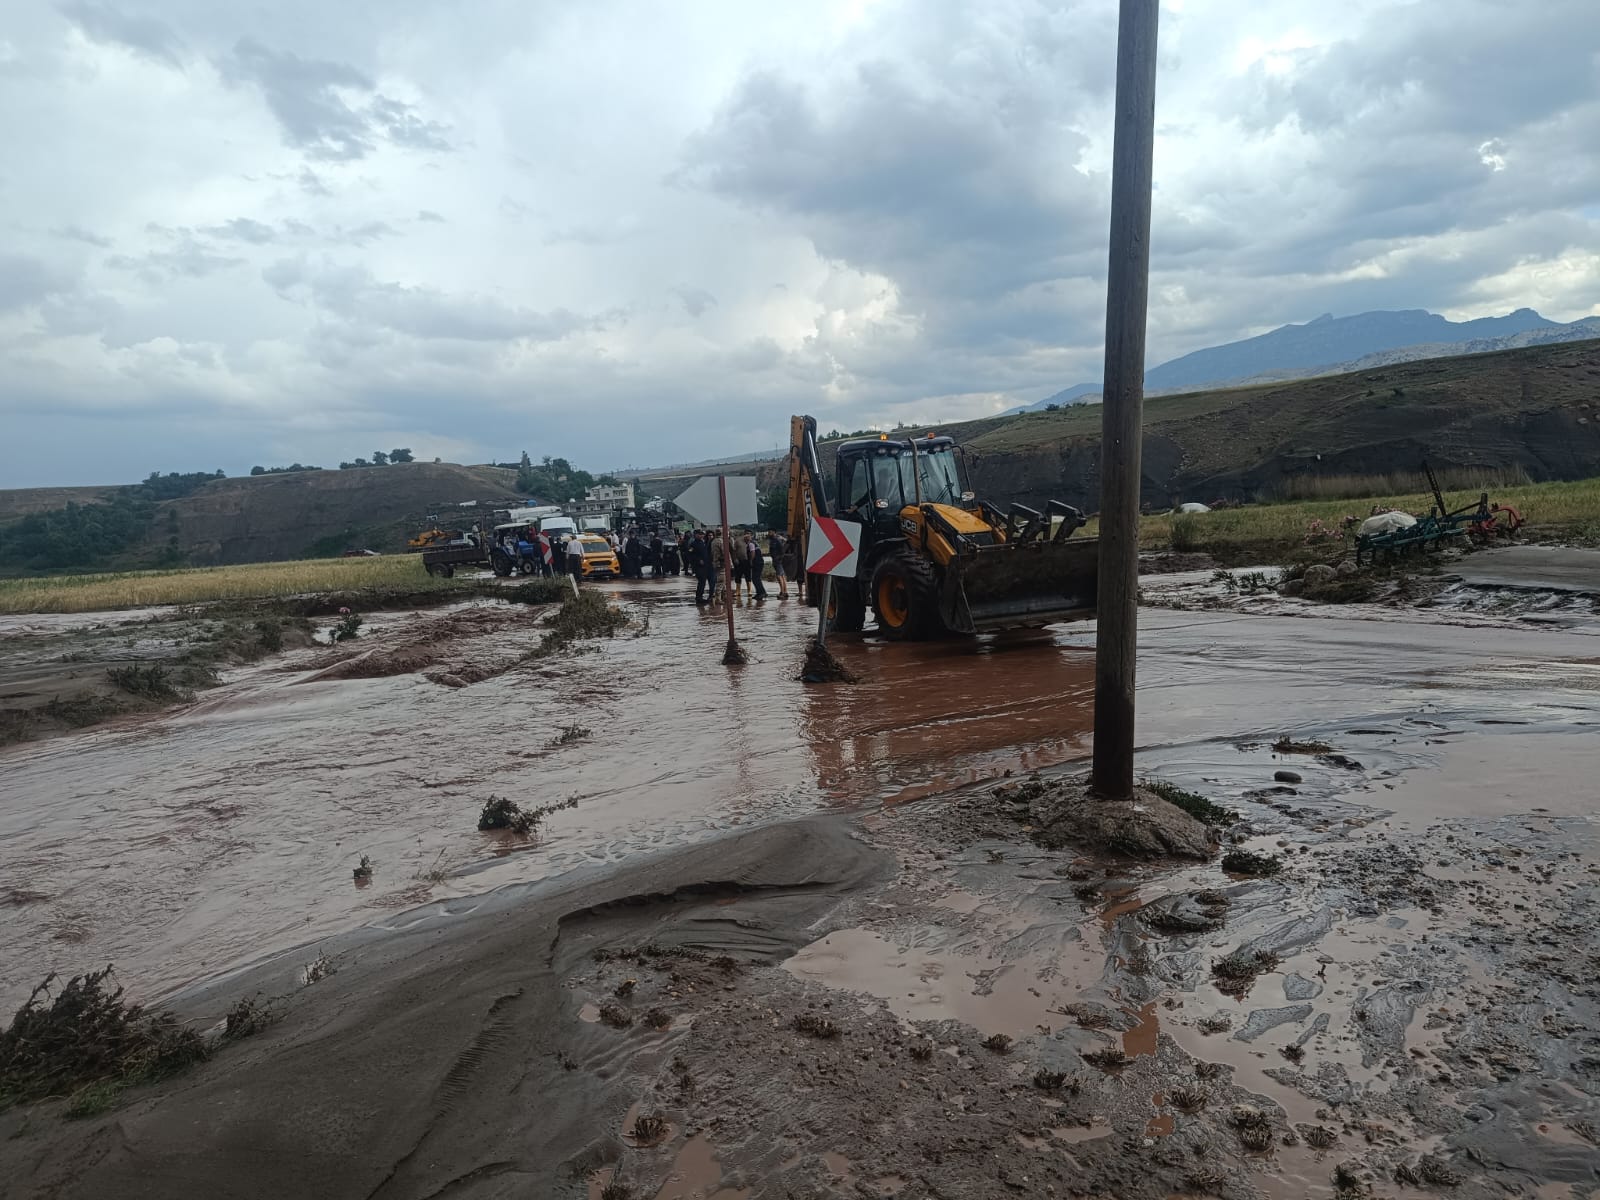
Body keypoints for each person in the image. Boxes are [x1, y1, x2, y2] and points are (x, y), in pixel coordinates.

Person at [689, 530, 710, 603]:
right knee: (701, 581)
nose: (701, 536)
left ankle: (700, 596)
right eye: (700, 534)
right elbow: (690, 555)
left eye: (702, 534)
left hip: (705, 565)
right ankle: (699, 597)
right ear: (696, 535)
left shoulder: (703, 542)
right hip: (698, 566)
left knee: (703, 582)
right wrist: (698, 560)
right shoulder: (693, 544)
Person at [768, 530, 789, 598]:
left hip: (778, 560)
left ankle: (782, 592)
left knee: (779, 576)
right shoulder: (772, 540)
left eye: (770, 532)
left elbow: (782, 550)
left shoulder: (776, 540)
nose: (769, 533)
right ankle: (785, 592)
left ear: (774, 532)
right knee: (782, 575)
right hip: (776, 560)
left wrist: (779, 558)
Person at [749, 533, 768, 601]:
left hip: (756, 563)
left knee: (755, 578)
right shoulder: (755, 543)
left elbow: (753, 553)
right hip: (760, 562)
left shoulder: (751, 544)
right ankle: (759, 592)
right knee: (756, 578)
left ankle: (762, 592)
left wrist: (751, 561)